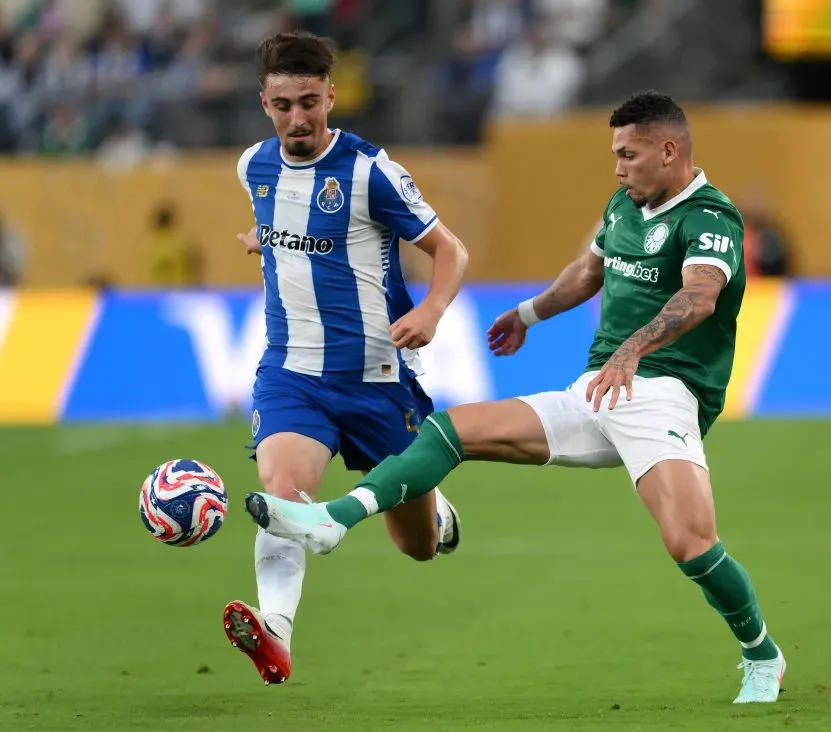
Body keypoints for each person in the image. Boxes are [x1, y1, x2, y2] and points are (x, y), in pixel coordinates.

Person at [244, 90, 786, 703]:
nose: (617, 167)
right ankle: (331, 519)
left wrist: (631, 352)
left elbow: (699, 297)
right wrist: (528, 313)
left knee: (691, 543)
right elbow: (589, 271)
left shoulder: (711, 217)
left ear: (669, 151)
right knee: (450, 430)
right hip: (596, 392)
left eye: (627, 155)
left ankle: (762, 655)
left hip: (664, 395)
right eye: (614, 155)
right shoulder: (625, 203)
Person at [223, 31, 470, 686]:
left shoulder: (369, 171)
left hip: (377, 380)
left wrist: (432, 311)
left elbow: (452, 250)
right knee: (281, 494)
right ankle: (275, 633)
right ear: (264, 103)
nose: (297, 119)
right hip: (291, 373)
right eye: (283, 105)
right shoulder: (255, 167)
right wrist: (266, 241)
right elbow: (289, 230)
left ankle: (437, 513)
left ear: (332, 95)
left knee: (415, 547)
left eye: (310, 102)